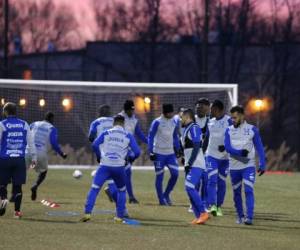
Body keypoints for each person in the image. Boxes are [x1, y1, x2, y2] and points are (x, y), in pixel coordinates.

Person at [81, 115, 140, 222]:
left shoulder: (106, 133)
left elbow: (94, 145)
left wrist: (99, 156)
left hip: (105, 166)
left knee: (95, 188)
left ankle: (87, 214)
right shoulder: (128, 135)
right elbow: (137, 152)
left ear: (114, 123)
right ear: (123, 124)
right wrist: (129, 158)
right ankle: (119, 217)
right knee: (121, 190)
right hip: (119, 167)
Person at [224, 105, 265, 225]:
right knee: (236, 193)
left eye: (235, 117)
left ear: (242, 116)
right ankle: (240, 216)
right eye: (231, 118)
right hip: (234, 167)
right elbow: (227, 148)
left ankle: (249, 217)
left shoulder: (252, 129)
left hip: (248, 166)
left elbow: (260, 147)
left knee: (248, 190)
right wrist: (239, 152)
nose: (232, 120)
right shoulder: (229, 130)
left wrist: (262, 163)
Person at [0, 102, 36, 218]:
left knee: (2, 184)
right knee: (18, 186)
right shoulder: (24, 124)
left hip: (5, 158)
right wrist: (34, 157)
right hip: (20, 159)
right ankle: (17, 212)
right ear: (16, 112)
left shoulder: (2, 124)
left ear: (5, 112)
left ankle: (3, 198)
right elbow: (31, 143)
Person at [28, 112, 67, 201]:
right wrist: (62, 154)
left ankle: (14, 194)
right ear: (52, 119)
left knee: (18, 170)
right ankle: (35, 185)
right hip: (40, 152)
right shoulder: (52, 128)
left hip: (28, 151)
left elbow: (25, 134)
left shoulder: (34, 124)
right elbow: (54, 144)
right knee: (43, 172)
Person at [148, 104, 180, 205]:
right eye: (170, 112)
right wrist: (151, 151)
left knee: (175, 174)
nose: (172, 114)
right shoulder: (157, 122)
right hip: (159, 154)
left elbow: (175, 136)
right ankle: (161, 200)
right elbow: (151, 136)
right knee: (160, 177)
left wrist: (178, 148)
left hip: (170, 154)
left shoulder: (174, 121)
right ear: (165, 113)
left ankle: (166, 194)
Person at [181, 109, 209, 224]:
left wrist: (190, 162)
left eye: (182, 117)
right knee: (190, 189)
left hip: (196, 164)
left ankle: (203, 212)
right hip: (191, 164)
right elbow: (189, 147)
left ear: (188, 117)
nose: (181, 119)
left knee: (189, 187)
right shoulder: (187, 129)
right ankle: (198, 216)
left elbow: (197, 145)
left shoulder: (194, 127)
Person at [206, 100, 232, 216]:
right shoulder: (210, 122)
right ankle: (212, 206)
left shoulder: (229, 121)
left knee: (221, 182)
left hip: (225, 159)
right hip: (211, 156)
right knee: (212, 180)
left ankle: (219, 206)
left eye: (213, 109)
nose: (211, 111)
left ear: (220, 110)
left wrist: (226, 147)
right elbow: (206, 139)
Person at [119, 100, 148, 204]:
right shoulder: (119, 118)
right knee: (126, 172)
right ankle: (131, 197)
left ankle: (113, 188)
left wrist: (149, 141)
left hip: (128, 148)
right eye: (131, 110)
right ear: (126, 110)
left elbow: (139, 134)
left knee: (136, 154)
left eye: (133, 110)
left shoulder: (134, 120)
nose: (133, 112)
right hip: (119, 149)